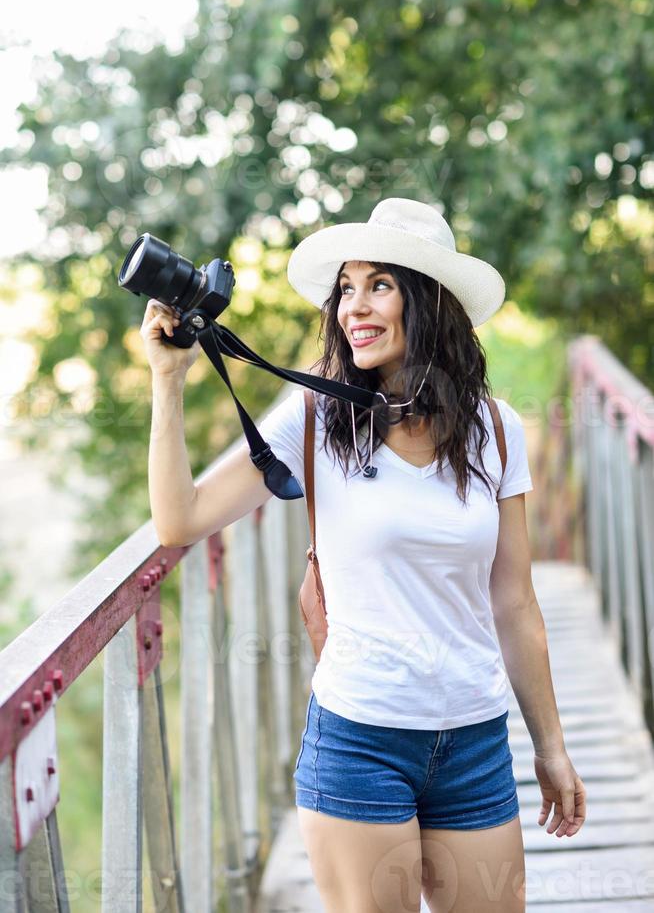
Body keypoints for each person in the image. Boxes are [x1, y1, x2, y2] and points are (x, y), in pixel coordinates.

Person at [141, 197, 586, 913]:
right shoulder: (317, 416)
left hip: (474, 740)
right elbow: (179, 520)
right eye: (346, 288)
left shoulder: (496, 431)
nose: (355, 307)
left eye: (380, 284)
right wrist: (167, 382)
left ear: (430, 302)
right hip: (361, 740)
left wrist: (552, 746)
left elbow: (515, 601)